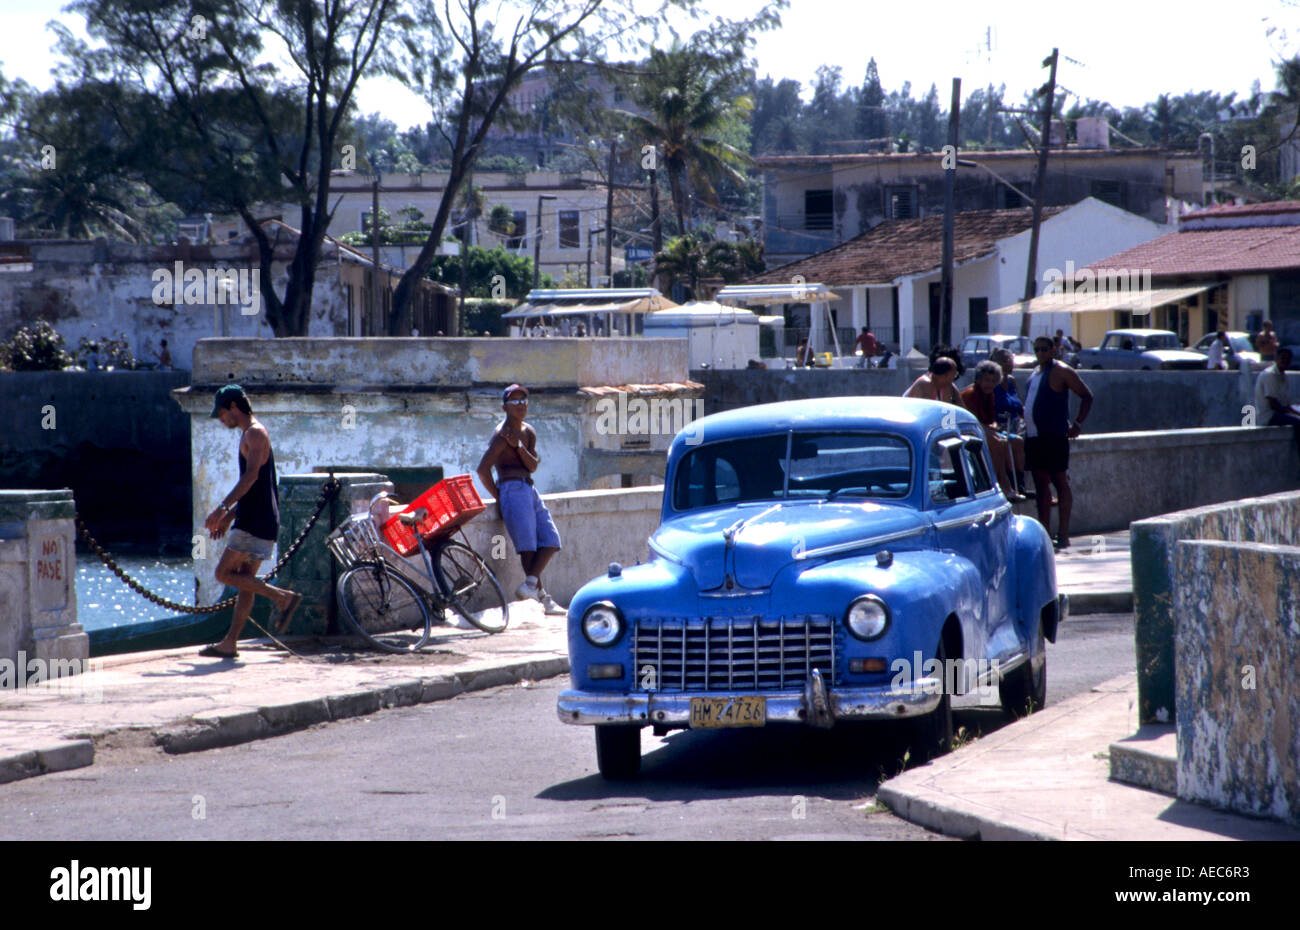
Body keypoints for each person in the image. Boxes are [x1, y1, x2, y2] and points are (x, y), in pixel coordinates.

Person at [200, 385, 301, 658]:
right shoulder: (250, 433)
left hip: (255, 520)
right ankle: (230, 642)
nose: (221, 420)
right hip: (257, 517)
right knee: (245, 582)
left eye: (221, 413)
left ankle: (282, 597)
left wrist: (221, 510)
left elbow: (251, 477)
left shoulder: (255, 433)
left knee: (222, 574)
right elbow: (253, 489)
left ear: (234, 407)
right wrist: (229, 517)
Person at [476, 384, 565, 615]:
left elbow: (533, 465)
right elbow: (483, 470)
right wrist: (500, 497)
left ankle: (531, 587)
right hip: (511, 489)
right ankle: (543, 598)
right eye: (514, 402)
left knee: (551, 539)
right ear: (505, 406)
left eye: (523, 401)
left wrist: (519, 446)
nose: (520, 406)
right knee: (528, 548)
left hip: (529, 488)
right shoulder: (500, 436)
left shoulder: (527, 432)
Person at [1025, 336, 1094, 550]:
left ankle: (1063, 534)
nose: (1040, 353)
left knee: (1059, 481)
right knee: (1040, 484)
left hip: (1054, 436)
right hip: (1033, 436)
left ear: (1053, 349)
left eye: (1044, 349)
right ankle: (1045, 534)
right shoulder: (1034, 373)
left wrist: (1077, 423)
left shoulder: (1062, 371)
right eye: (1037, 349)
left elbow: (1086, 395)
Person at [960, 360, 1020, 499]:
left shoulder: (989, 394)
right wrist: (990, 430)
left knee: (1010, 442)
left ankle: (1015, 483)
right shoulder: (971, 394)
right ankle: (1002, 485)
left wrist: (993, 428)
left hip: (982, 427)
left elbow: (989, 419)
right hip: (969, 429)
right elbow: (973, 421)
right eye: (986, 380)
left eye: (993, 381)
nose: (990, 384)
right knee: (997, 443)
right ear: (979, 379)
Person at [990, 347, 1030, 498]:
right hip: (1000, 427)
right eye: (1005, 361)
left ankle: (1022, 483)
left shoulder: (1011, 381)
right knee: (1014, 442)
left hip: (1016, 425)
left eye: (1011, 361)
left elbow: (1019, 406)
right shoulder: (992, 383)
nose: (1010, 364)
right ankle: (1016, 484)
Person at [1254, 347, 1300, 475]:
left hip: (1278, 413)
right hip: (1268, 415)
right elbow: (1273, 404)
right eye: (1282, 359)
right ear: (1276, 359)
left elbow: (1286, 404)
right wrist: (1293, 416)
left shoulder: (1283, 376)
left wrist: (1296, 413)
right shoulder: (1269, 375)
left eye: (1287, 359)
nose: (1284, 361)